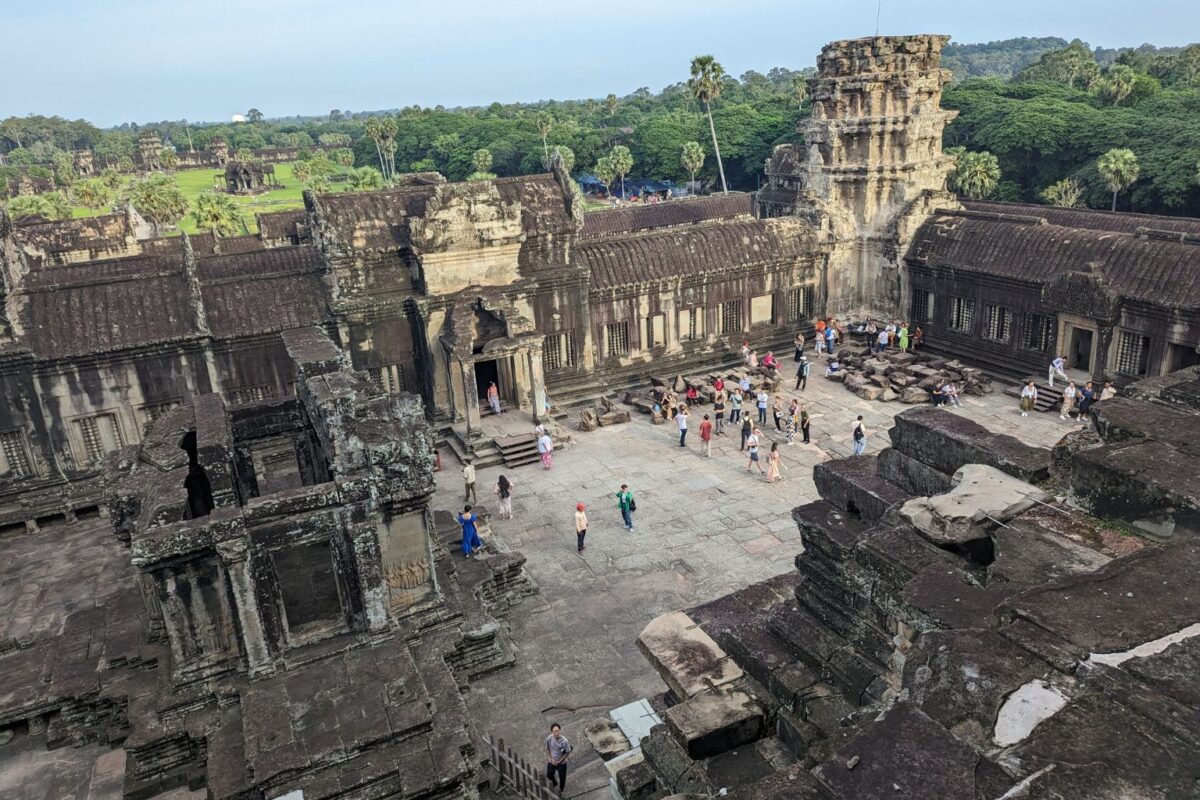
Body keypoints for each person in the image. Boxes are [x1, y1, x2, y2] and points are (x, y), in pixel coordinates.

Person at [545, 723, 572, 794]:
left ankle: (561, 791)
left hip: (561, 763)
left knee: (562, 779)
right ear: (552, 732)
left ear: (560, 730)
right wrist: (550, 759)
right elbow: (547, 749)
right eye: (554, 731)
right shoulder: (549, 738)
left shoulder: (564, 741)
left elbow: (568, 752)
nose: (556, 733)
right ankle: (555, 784)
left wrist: (560, 761)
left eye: (557, 731)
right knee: (549, 774)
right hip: (552, 761)